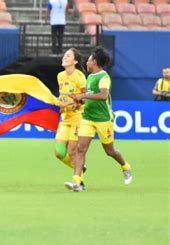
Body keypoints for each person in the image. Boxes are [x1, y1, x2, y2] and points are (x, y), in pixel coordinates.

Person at [65, 47, 132, 192]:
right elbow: (89, 98)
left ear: (94, 62)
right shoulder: (89, 77)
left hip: (103, 119)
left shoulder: (104, 77)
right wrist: (78, 103)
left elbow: (102, 95)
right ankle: (77, 181)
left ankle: (125, 167)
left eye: (88, 60)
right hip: (88, 117)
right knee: (80, 149)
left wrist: (82, 96)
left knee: (110, 151)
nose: (86, 62)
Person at [54, 48, 87, 189]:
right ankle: (80, 169)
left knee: (73, 151)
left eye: (68, 56)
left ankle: (78, 181)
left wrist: (76, 103)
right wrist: (58, 103)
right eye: (64, 55)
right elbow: (62, 96)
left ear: (75, 61)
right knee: (59, 153)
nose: (64, 57)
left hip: (78, 118)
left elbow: (85, 98)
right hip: (65, 118)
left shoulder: (80, 77)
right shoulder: (60, 76)